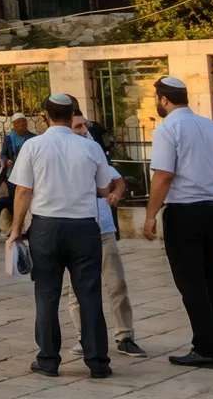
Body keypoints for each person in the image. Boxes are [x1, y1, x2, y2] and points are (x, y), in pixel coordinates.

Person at [5, 92, 116, 379]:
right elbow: (104, 188)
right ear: (71, 116)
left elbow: (23, 191)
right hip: (83, 227)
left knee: (46, 294)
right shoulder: (90, 148)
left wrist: (16, 228)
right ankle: (97, 361)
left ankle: (48, 359)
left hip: (47, 227)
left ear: (45, 117)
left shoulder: (33, 146)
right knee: (89, 294)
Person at [142, 74, 213, 369]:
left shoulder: (168, 128)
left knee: (191, 281)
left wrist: (150, 214)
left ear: (163, 99)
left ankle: (205, 348)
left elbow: (163, 174)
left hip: (185, 212)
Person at [70, 112, 143, 360]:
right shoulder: (60, 153)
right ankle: (84, 335)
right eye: (78, 126)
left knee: (116, 282)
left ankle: (125, 335)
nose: (83, 130)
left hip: (102, 227)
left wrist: (116, 194)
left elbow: (117, 180)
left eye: (84, 126)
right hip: (77, 227)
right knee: (76, 288)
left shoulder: (93, 150)